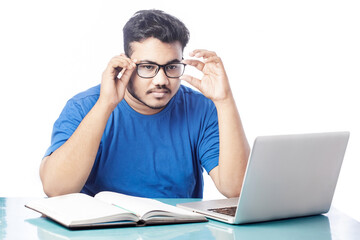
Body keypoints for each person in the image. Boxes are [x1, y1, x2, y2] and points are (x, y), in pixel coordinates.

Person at [39, 9, 250, 198]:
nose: (161, 80)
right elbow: (56, 189)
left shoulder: (200, 108)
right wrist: (105, 105)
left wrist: (224, 100)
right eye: (148, 67)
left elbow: (237, 189)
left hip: (178, 230)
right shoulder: (85, 106)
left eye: (172, 66)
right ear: (125, 65)